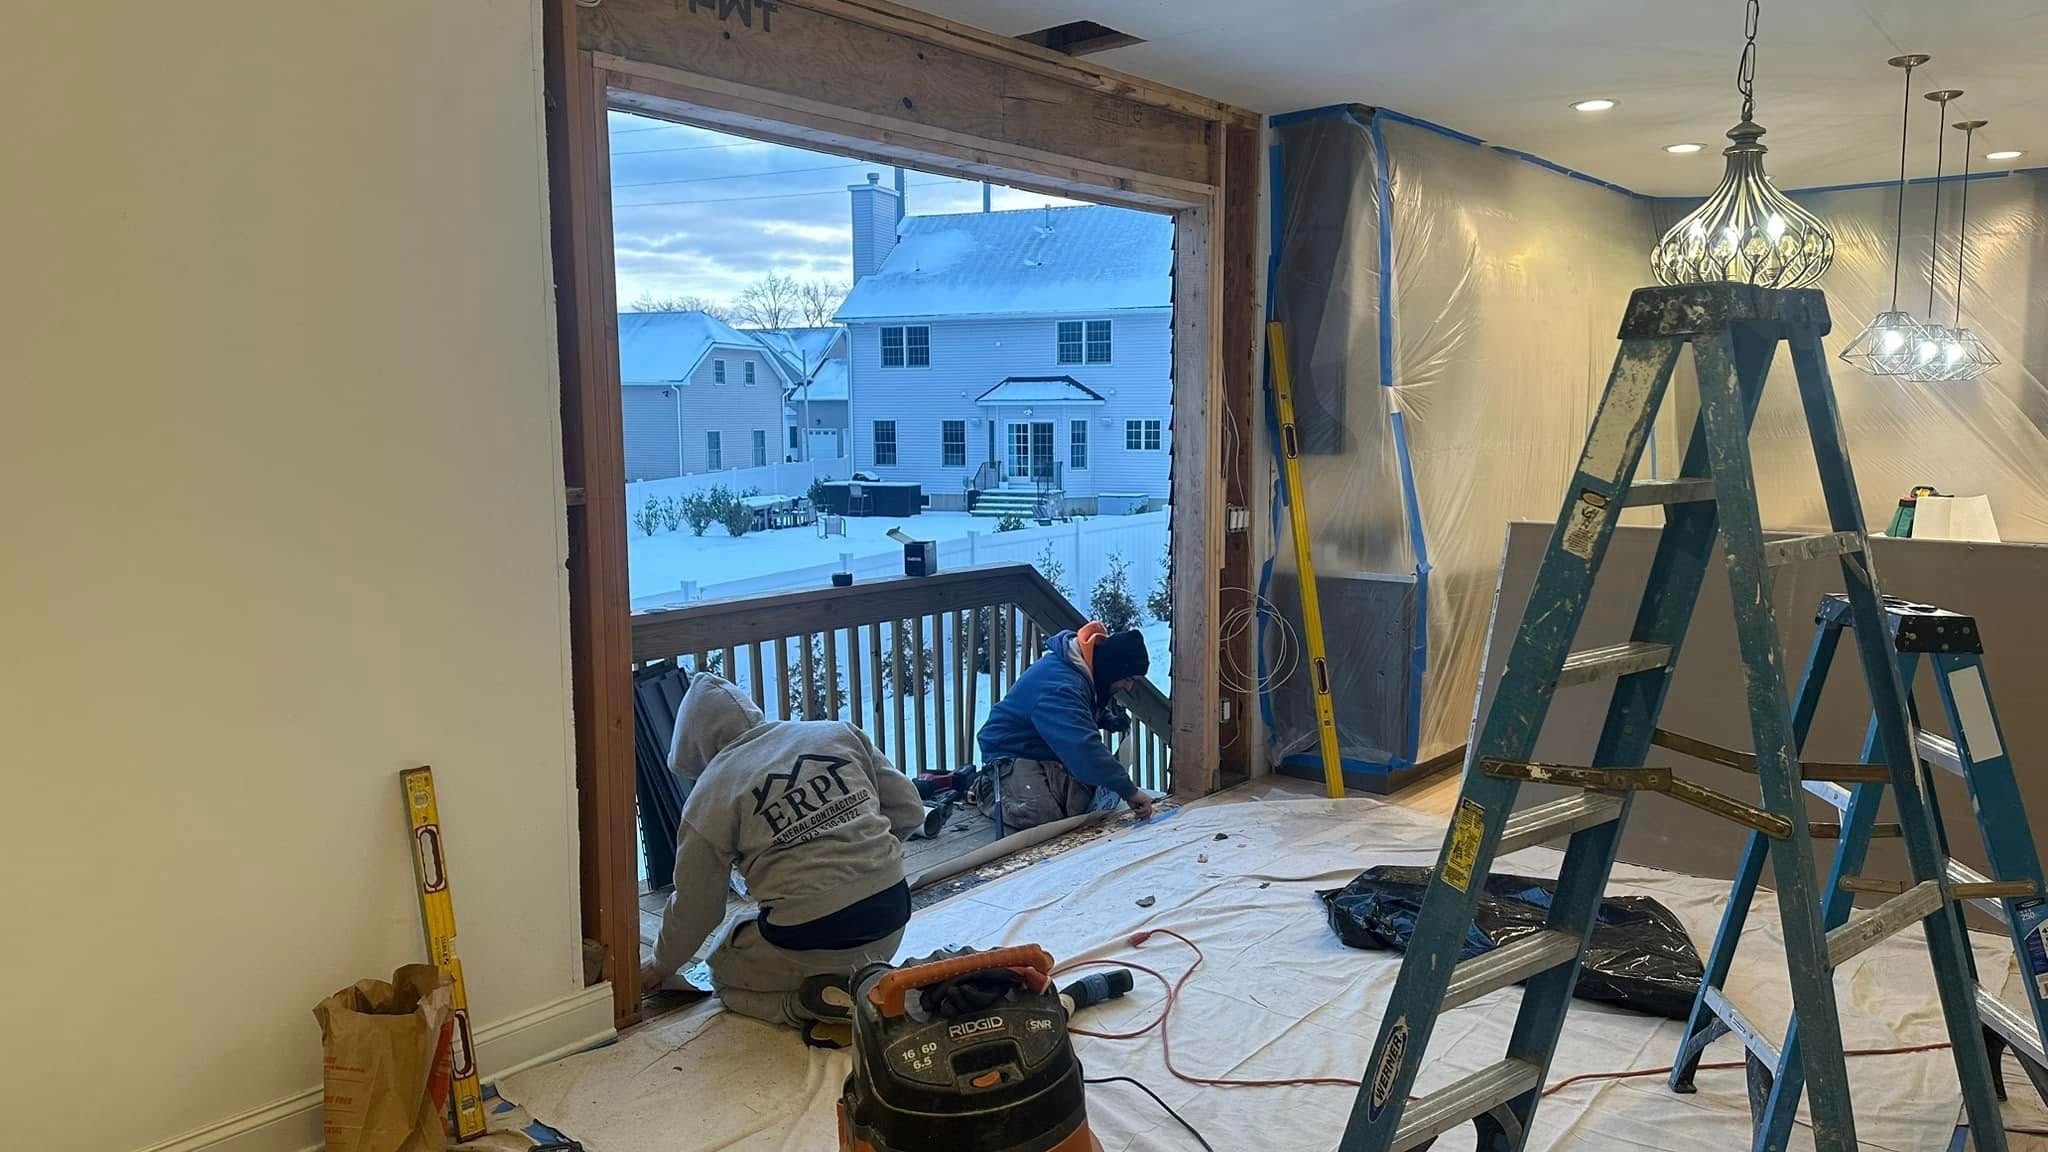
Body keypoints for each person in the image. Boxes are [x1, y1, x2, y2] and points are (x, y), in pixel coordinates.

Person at [639, 673, 926, 1044]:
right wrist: (865, 858)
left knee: (721, 971)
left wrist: (661, 964)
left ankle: (804, 1005)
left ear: (694, 748)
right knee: (784, 931)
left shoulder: (709, 796)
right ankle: (860, 980)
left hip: (810, 936)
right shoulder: (835, 733)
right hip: (892, 919)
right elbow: (909, 810)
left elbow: (697, 908)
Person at [975, 621, 1157, 832]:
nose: (1129, 686)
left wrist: (1105, 718)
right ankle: (987, 789)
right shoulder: (1061, 685)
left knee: (1081, 803)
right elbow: (1083, 748)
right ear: (1112, 670)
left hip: (1043, 752)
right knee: (1043, 815)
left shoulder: (1082, 669)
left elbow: (1075, 713)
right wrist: (1129, 791)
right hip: (1008, 755)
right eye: (1127, 678)